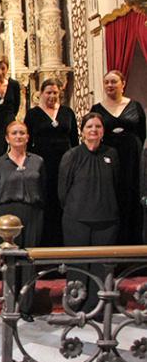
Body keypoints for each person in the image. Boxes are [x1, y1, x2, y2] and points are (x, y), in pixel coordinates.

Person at [59, 113, 120, 313]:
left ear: (103, 131)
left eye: (98, 126)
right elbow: (63, 190)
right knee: (78, 266)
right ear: (82, 131)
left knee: (101, 267)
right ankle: (76, 307)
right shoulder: (72, 155)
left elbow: (117, 185)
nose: (93, 130)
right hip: (77, 220)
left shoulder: (112, 154)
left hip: (106, 220)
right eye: (89, 126)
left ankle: (99, 308)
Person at [0, 121, 45, 322]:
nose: (19, 136)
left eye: (22, 132)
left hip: (32, 212)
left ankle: (26, 306)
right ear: (7, 138)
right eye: (14, 133)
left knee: (29, 259)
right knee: (10, 261)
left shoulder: (37, 161)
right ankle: (10, 302)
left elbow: (43, 189)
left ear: (28, 137)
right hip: (7, 216)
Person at [90, 70, 146, 245]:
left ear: (123, 83)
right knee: (112, 197)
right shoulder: (97, 109)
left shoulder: (135, 106)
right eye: (106, 82)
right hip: (108, 159)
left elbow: (142, 133)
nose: (109, 85)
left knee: (133, 196)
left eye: (113, 82)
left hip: (133, 159)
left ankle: (135, 246)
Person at [24, 79, 78, 246]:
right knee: (46, 200)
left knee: (64, 199)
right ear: (41, 93)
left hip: (65, 163)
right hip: (42, 164)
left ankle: (65, 240)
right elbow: (27, 141)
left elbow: (74, 140)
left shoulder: (67, 113)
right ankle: (46, 242)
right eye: (48, 92)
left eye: (55, 92)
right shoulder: (33, 114)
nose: (52, 95)